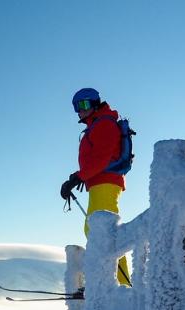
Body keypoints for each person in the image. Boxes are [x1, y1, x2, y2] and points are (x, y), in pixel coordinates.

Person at [61, 88, 131, 286]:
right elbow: (96, 160)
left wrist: (78, 177)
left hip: (106, 183)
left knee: (103, 232)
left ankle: (121, 286)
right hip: (100, 183)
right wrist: (79, 177)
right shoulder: (97, 124)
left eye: (83, 105)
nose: (79, 111)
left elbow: (101, 158)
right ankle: (113, 282)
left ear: (94, 103)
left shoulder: (104, 124)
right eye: (76, 107)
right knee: (95, 229)